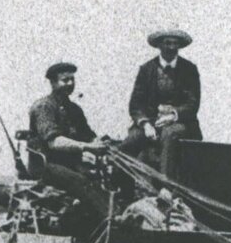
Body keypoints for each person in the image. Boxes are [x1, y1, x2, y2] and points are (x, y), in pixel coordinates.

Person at [26, 62, 116, 226]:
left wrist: (100, 142)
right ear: (53, 83)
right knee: (82, 182)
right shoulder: (44, 107)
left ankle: (93, 224)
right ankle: (113, 220)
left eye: (72, 79)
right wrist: (87, 147)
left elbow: (89, 136)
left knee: (101, 179)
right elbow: (54, 142)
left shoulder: (74, 109)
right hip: (45, 166)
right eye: (65, 80)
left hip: (69, 164)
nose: (70, 84)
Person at [123, 28, 203, 176]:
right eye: (167, 43)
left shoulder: (189, 70)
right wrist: (145, 124)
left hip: (181, 124)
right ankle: (120, 185)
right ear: (159, 45)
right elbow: (135, 104)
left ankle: (165, 183)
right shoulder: (146, 69)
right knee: (131, 141)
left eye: (175, 43)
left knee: (169, 134)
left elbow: (193, 104)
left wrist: (173, 116)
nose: (171, 47)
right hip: (151, 123)